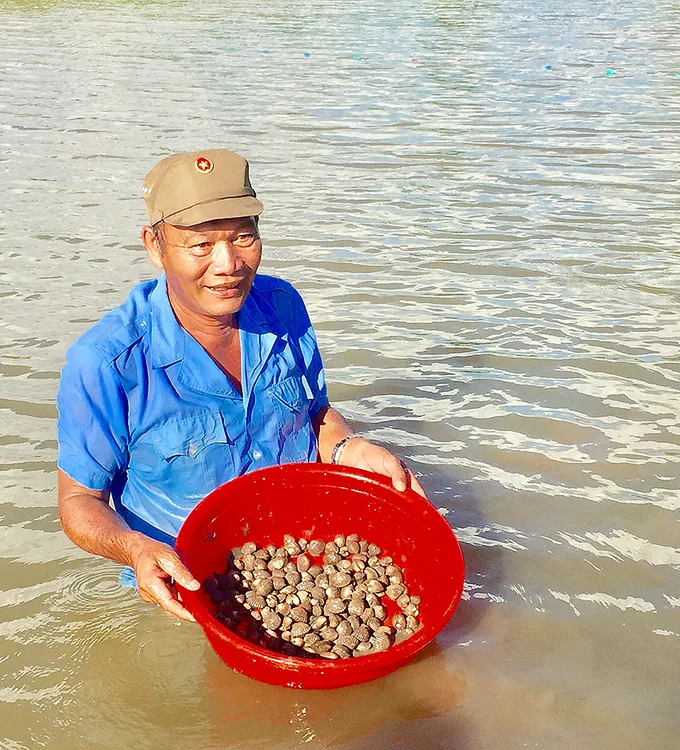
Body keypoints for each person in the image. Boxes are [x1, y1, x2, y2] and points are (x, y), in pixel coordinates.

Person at [56, 149, 426, 621]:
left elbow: (314, 415)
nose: (229, 263)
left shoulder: (281, 305)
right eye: (201, 245)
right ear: (155, 245)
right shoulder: (106, 361)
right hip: (182, 585)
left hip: (306, 559)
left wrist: (350, 448)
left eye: (243, 237)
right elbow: (79, 503)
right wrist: (133, 549)